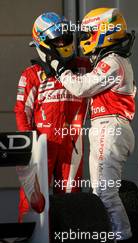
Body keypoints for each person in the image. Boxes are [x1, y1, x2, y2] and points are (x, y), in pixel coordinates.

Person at [56, 7, 136, 242]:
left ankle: (123, 242)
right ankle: (118, 240)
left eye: (90, 33)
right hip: (110, 128)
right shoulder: (115, 60)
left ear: (105, 33)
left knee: (104, 192)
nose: (85, 39)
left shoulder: (112, 61)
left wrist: (60, 69)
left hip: (109, 128)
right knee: (102, 192)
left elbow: (81, 87)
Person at [14, 12, 91, 222]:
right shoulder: (31, 74)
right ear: (43, 42)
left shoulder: (85, 67)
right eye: (57, 40)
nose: (63, 43)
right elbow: (22, 111)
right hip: (42, 144)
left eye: (66, 38)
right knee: (33, 199)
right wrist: (28, 143)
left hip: (73, 143)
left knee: (71, 198)